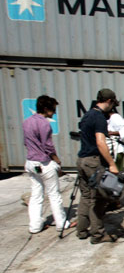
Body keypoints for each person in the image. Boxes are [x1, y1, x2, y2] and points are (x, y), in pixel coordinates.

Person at [23, 95, 76, 234]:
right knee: (54, 195)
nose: (54, 113)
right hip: (44, 163)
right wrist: (56, 159)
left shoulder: (27, 122)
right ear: (46, 109)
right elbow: (48, 146)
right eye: (53, 110)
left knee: (36, 195)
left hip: (30, 162)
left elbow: (25, 142)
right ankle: (62, 223)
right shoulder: (44, 123)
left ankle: (35, 226)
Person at [76, 88, 120, 244]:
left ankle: (81, 230)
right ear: (109, 101)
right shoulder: (99, 118)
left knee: (86, 196)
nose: (113, 107)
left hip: (82, 159)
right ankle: (98, 234)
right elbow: (101, 142)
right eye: (113, 104)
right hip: (93, 162)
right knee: (99, 198)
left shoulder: (87, 115)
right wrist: (112, 164)